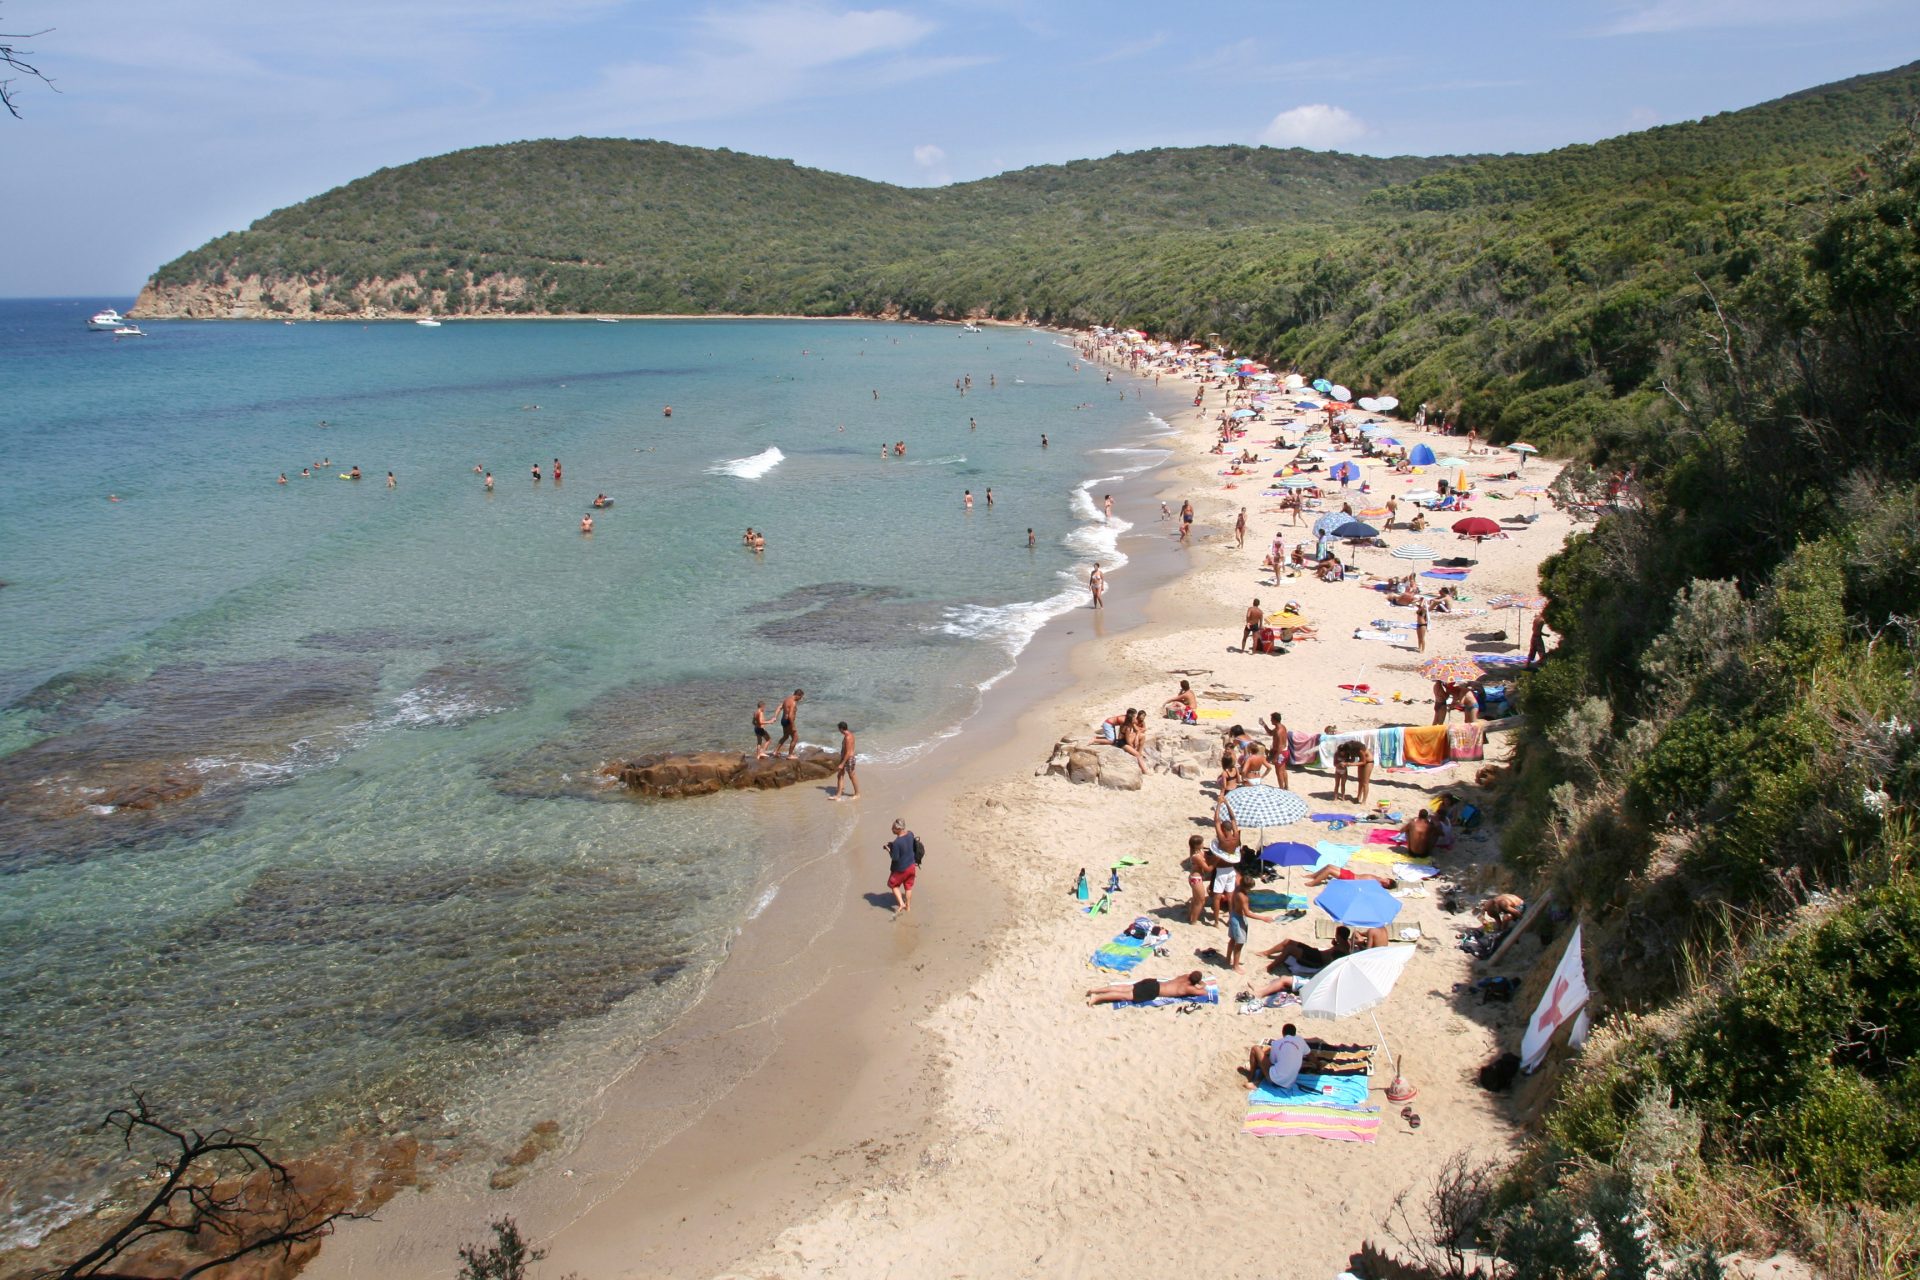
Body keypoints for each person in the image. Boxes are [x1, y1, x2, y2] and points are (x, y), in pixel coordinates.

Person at [1224, 874, 1276, 971]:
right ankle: (1235, 966)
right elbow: (1247, 913)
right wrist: (1263, 918)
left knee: (1232, 939)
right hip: (1238, 919)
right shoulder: (1243, 897)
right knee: (1239, 943)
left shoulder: (1237, 887)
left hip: (1233, 915)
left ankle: (1227, 959)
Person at [1261, 924, 1361, 973]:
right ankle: (1266, 953)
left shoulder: (1342, 950)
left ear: (1339, 936)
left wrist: (1333, 949)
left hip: (1316, 960)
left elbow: (1332, 963)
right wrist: (1335, 945)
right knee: (1288, 941)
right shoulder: (1345, 943)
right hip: (1316, 953)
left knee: (1290, 949)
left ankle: (1270, 967)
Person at [1245, 1025, 1314, 1089]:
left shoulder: (1276, 1043)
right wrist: (1318, 1065)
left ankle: (1250, 1077)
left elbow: (1272, 1061)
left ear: (1283, 1033)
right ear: (1294, 1033)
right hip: (1289, 1083)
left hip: (1275, 1080)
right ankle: (1258, 1080)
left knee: (1255, 1048)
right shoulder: (1300, 1040)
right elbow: (1310, 1055)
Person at [1086, 971, 1209, 1006]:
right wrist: (1202, 984)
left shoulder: (1185, 976)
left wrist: (1196, 980)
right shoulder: (1188, 988)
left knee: (1123, 987)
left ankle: (1096, 990)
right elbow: (1204, 992)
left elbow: (1190, 977)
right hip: (1153, 991)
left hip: (1152, 982)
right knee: (1124, 995)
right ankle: (1097, 998)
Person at [884, 819, 919, 915]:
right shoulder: (910, 834)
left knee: (892, 884)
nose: (892, 829)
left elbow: (895, 858)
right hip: (912, 866)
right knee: (908, 887)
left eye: (893, 828)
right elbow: (907, 846)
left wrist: (888, 850)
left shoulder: (897, 843)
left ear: (899, 829)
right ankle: (908, 907)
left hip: (902, 869)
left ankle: (901, 904)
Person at [1332, 739, 1373, 804]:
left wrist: (1349, 764)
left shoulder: (1359, 749)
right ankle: (1358, 797)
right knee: (1360, 781)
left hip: (1368, 762)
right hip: (1361, 762)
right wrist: (1344, 762)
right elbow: (1353, 759)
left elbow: (1364, 762)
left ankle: (1364, 801)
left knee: (1365, 782)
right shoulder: (1350, 750)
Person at [1185, 834, 1212, 925]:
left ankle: (1190, 917)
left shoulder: (1198, 852)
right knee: (1201, 901)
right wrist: (1216, 861)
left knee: (1195, 899)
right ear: (1197, 845)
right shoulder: (1196, 856)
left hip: (1195, 877)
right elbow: (1207, 869)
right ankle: (1193, 921)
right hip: (1196, 879)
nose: (1203, 844)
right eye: (1201, 843)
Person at [1305, 865, 1398, 890]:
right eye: (1387, 879)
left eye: (1386, 882)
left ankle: (1313, 883)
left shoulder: (1377, 884)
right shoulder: (1378, 878)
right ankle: (1313, 876)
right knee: (1329, 866)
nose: (1385, 880)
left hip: (1351, 879)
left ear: (1385, 885)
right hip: (1352, 874)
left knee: (1329, 871)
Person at [1262, 711, 1290, 789]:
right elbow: (1271, 733)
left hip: (1280, 753)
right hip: (1284, 751)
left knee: (1279, 772)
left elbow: (1280, 746)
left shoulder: (1278, 731)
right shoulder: (1281, 727)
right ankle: (1286, 786)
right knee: (1283, 770)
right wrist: (1264, 725)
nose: (1270, 720)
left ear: (1275, 720)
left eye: (1271, 719)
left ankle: (1281, 788)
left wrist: (1275, 758)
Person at [832, 721, 859, 799]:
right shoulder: (849, 735)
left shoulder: (848, 737)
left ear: (841, 729)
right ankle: (838, 795)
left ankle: (857, 794)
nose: (839, 731)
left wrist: (842, 763)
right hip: (845, 758)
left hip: (849, 759)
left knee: (852, 776)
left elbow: (848, 752)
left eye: (839, 729)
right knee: (840, 775)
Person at [777, 688, 804, 758]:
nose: (800, 699)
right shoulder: (793, 702)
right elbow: (790, 716)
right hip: (788, 721)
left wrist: (775, 716)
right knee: (795, 738)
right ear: (798, 695)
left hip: (783, 720)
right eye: (800, 697)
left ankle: (775, 751)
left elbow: (780, 707)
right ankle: (790, 755)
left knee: (785, 736)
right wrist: (793, 726)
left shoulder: (787, 699)